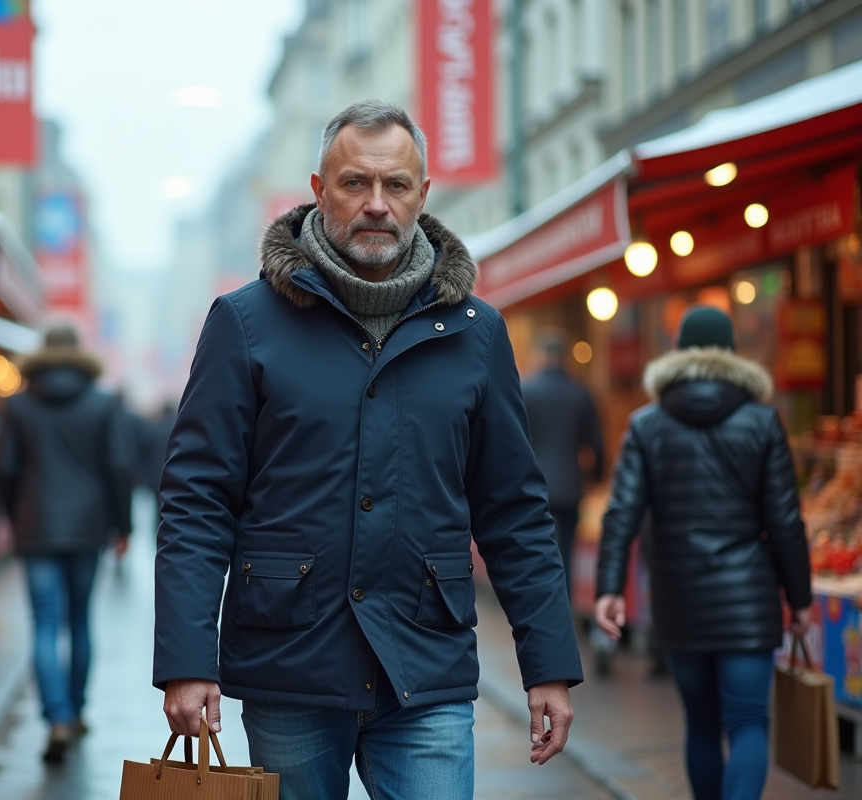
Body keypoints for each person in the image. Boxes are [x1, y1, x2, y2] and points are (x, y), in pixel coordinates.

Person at [154, 101, 582, 800]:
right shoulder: (245, 322)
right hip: (290, 663)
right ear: (319, 191)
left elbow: (513, 511)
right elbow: (197, 502)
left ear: (423, 195)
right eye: (355, 184)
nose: (376, 204)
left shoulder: (475, 332)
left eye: (396, 186)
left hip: (427, 664)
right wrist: (185, 660)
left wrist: (549, 664)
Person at [595, 306, 813, 800]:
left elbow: (620, 513)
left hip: (679, 601)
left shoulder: (645, 425)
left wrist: (610, 587)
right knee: (748, 721)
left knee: (700, 723)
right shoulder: (763, 421)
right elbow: (784, 521)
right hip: (749, 602)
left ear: (679, 354)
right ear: (732, 354)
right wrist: (799, 598)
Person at [0, 325, 133, 763]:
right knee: (79, 621)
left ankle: (53, 716)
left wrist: (15, 514)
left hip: (36, 524)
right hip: (87, 526)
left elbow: (4, 466)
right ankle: (75, 711)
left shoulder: (18, 404)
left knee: (44, 623)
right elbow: (119, 465)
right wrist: (122, 526)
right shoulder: (103, 402)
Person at [520, 330, 604, 593]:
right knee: (566, 552)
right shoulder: (580, 393)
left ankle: (541, 603)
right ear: (564, 356)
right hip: (570, 486)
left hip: (534, 487)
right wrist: (595, 479)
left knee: (536, 550)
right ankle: (565, 607)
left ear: (541, 355)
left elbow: (514, 442)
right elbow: (597, 445)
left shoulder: (526, 391)